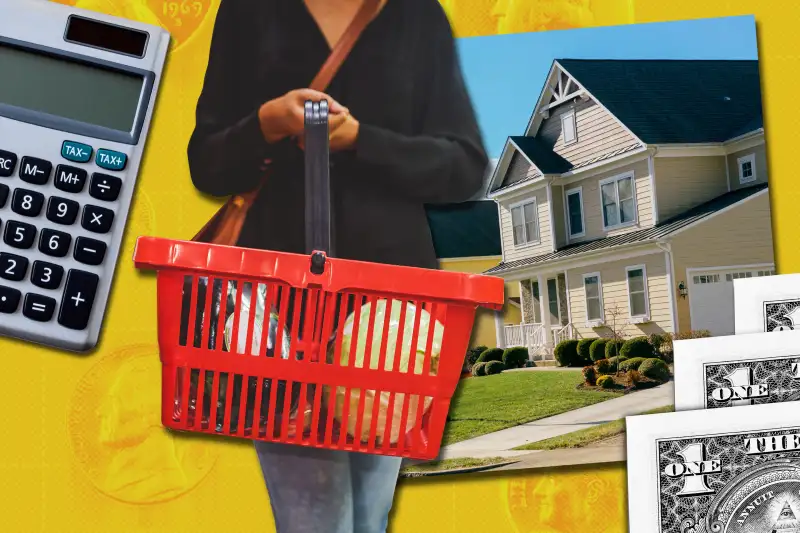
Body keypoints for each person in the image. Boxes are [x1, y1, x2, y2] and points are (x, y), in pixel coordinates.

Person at [187, 0, 488, 531]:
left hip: (390, 322)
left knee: (369, 516)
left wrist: (359, 141)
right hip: (275, 314)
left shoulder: (416, 15)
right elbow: (207, 162)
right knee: (314, 521)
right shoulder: (246, 11)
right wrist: (266, 122)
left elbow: (463, 167)